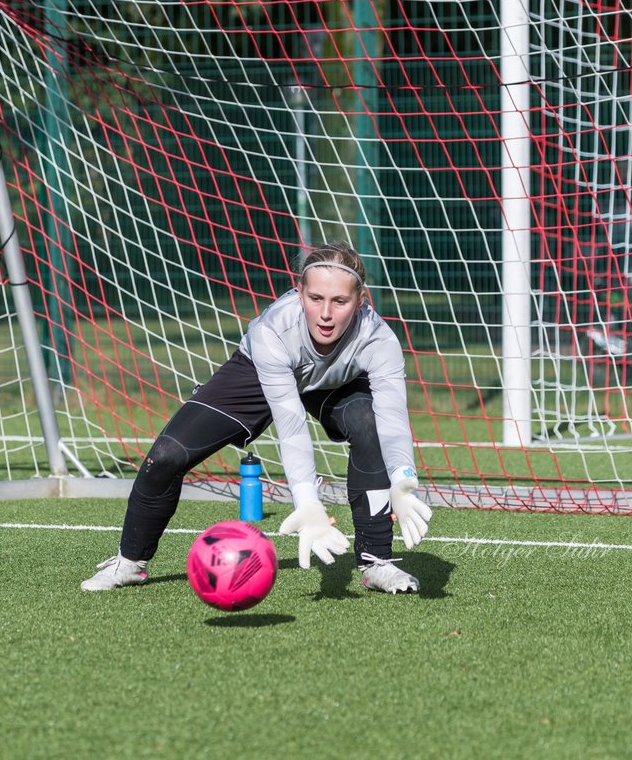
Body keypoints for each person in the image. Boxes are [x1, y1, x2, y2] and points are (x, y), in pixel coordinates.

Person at [81, 242, 433, 594]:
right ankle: (129, 562)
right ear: (299, 292)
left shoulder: (378, 339)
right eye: (315, 298)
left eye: (339, 302)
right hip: (259, 371)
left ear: (360, 301)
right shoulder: (273, 332)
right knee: (166, 456)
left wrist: (403, 477)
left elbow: (393, 418)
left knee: (369, 423)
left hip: (335, 383)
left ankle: (376, 563)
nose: (325, 313)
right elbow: (292, 425)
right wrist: (307, 502)